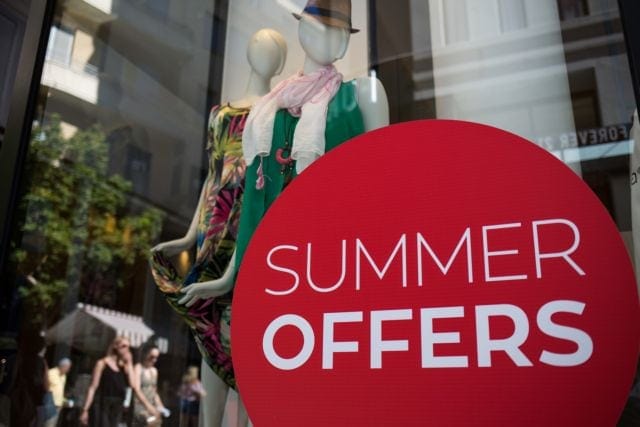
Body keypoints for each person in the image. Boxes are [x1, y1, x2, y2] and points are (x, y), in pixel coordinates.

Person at [150, 28, 287, 426]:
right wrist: (189, 235)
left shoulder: (277, 114)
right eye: (260, 46)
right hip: (213, 228)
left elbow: (269, 180)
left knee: (242, 328)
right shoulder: (220, 115)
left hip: (250, 223)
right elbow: (212, 175)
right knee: (210, 331)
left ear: (280, 63)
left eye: (273, 51)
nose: (264, 54)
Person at [79, 336, 158, 426]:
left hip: (117, 405)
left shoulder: (123, 367)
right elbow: (93, 388)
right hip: (103, 403)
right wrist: (85, 409)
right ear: (115, 346)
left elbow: (132, 384)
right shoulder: (102, 363)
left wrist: (129, 363)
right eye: (123, 346)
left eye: (128, 347)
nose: (126, 350)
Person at [132, 344, 166, 426]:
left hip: (151, 404)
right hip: (140, 404)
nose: (154, 360)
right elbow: (137, 390)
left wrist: (160, 405)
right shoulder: (138, 368)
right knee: (149, 421)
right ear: (145, 354)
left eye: (156, 357)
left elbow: (154, 391)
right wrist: (149, 407)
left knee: (158, 421)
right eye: (152, 357)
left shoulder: (154, 371)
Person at [45, 357, 71, 427]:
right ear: (63, 366)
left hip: (58, 406)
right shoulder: (51, 373)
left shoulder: (64, 376)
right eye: (67, 368)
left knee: (53, 424)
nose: (68, 370)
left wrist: (64, 401)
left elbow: (60, 391)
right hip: (49, 404)